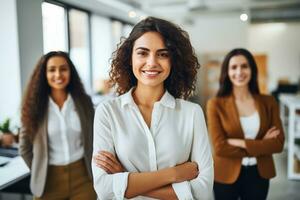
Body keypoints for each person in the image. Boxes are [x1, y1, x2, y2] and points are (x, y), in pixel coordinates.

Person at [92, 17, 213, 200]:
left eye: (163, 54)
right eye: (142, 53)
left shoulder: (192, 113)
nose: (152, 62)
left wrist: (125, 177)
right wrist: (173, 174)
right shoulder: (108, 112)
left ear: (174, 61)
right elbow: (104, 189)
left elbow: (203, 190)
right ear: (129, 58)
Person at [206, 48, 284, 200]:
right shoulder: (215, 104)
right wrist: (261, 144)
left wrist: (241, 143)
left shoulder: (268, 102)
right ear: (227, 72)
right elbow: (220, 147)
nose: (239, 72)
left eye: (244, 66)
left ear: (252, 70)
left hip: (259, 173)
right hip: (226, 174)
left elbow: (278, 144)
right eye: (234, 67)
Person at [19, 51, 96, 199]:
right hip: (48, 182)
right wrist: (39, 169)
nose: (58, 74)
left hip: (84, 178)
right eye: (52, 70)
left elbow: (94, 138)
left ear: (70, 72)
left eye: (63, 69)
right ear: (44, 74)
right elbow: (24, 148)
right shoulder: (33, 106)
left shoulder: (84, 102)